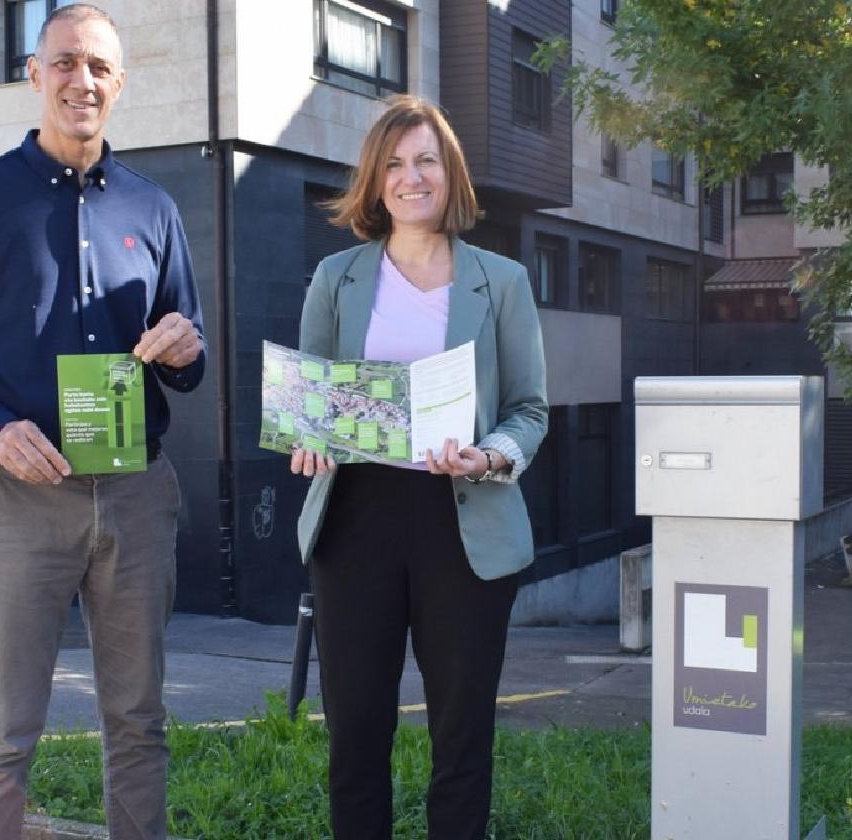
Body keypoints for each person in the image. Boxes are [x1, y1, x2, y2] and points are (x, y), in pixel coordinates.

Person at [0, 5, 204, 838]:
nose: (83, 80)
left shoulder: (155, 209)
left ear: (120, 84)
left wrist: (185, 344)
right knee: (2, 734)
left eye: (100, 67)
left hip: (138, 496)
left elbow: (192, 360)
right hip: (18, 500)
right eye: (65, 62)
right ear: (35, 75)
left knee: (139, 724)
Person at [291, 96, 548, 840]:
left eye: (426, 160)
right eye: (395, 163)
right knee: (356, 739)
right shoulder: (335, 278)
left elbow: (530, 409)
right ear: (375, 182)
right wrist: (309, 437)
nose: (411, 177)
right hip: (356, 521)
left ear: (450, 173)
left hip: (462, 522)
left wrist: (491, 452)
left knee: (462, 742)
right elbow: (309, 402)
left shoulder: (500, 281)